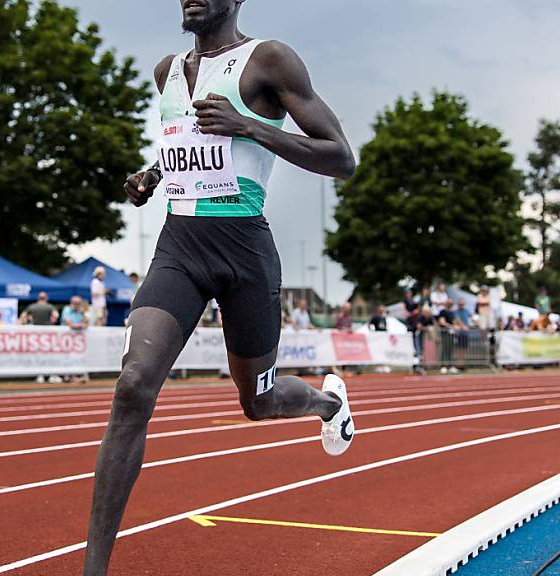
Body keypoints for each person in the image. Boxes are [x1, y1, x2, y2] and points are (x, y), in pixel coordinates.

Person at [84, 2, 356, 572]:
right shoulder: (167, 71)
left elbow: (341, 158)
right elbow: (183, 148)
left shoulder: (270, 60)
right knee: (133, 385)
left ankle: (328, 403)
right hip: (180, 247)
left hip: (245, 254)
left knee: (258, 403)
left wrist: (249, 126)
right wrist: (151, 177)